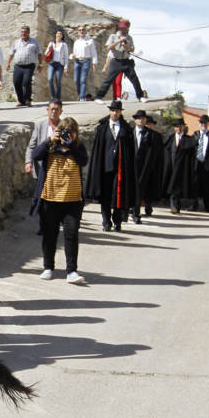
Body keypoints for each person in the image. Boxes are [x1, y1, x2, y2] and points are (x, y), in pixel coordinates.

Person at [30, 116, 88, 284]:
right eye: (64, 131)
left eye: (71, 132)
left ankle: (72, 271)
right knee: (49, 234)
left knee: (71, 234)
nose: (66, 135)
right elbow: (36, 155)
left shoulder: (78, 148)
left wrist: (71, 145)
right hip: (50, 198)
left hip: (73, 200)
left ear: (76, 134)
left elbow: (83, 161)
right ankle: (48, 267)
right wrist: (50, 140)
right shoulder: (50, 146)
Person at [85, 100, 135, 232]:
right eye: (113, 110)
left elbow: (130, 152)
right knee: (105, 196)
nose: (115, 113)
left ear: (120, 112)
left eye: (117, 111)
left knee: (118, 196)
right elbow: (98, 150)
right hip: (104, 168)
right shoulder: (102, 128)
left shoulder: (126, 129)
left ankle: (117, 221)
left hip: (120, 169)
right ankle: (106, 222)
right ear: (109, 111)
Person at [94, 19, 147, 104]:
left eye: (125, 28)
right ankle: (98, 97)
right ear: (119, 28)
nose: (123, 30)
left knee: (134, 79)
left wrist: (127, 46)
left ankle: (140, 96)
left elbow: (132, 49)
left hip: (126, 61)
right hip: (116, 61)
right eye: (122, 28)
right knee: (108, 80)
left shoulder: (129, 38)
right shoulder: (113, 36)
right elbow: (108, 47)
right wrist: (119, 41)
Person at [163, 118, 196, 214]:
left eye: (181, 126)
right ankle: (174, 206)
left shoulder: (188, 140)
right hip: (172, 167)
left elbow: (191, 155)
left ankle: (177, 205)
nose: (179, 128)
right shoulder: (170, 138)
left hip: (183, 168)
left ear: (184, 127)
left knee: (179, 187)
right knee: (172, 186)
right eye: (177, 126)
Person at [130, 109, 158, 223]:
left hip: (144, 167)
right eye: (138, 118)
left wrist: (148, 168)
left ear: (146, 120)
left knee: (140, 190)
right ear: (135, 120)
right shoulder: (129, 132)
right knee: (129, 189)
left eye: (142, 118)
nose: (140, 120)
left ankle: (136, 213)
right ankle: (127, 210)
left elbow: (152, 153)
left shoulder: (150, 134)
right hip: (131, 166)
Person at [5, 25, 42, 107]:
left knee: (26, 82)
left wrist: (40, 64)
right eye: (22, 32)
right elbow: (11, 53)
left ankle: (27, 99)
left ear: (29, 33)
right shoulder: (16, 42)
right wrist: (8, 63)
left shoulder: (34, 42)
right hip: (18, 66)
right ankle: (21, 100)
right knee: (16, 82)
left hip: (29, 66)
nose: (23, 34)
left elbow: (39, 53)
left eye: (25, 32)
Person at [69, 25, 97, 102]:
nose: (81, 31)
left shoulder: (90, 41)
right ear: (78, 32)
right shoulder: (76, 42)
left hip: (86, 61)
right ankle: (80, 94)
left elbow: (94, 53)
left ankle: (82, 97)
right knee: (76, 80)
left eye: (83, 30)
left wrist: (94, 63)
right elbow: (74, 53)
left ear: (85, 31)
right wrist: (72, 56)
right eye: (80, 30)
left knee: (83, 79)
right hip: (77, 61)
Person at [45, 30, 68, 101]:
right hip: (52, 63)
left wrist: (66, 66)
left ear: (62, 36)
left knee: (58, 81)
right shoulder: (51, 43)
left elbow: (66, 56)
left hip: (60, 64)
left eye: (60, 34)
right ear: (55, 35)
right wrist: (49, 48)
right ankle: (53, 96)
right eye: (57, 33)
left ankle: (57, 98)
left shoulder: (64, 45)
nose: (58, 35)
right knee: (50, 79)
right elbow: (46, 53)